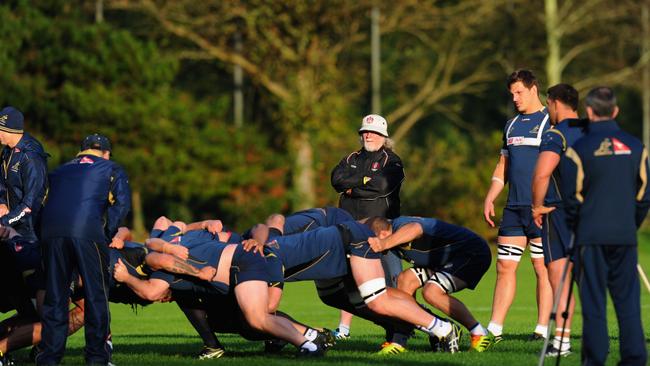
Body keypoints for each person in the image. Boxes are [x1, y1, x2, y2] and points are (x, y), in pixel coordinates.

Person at [559, 87, 648, 366]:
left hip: (591, 237)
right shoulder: (636, 147)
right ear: (616, 111)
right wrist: (629, 224)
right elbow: (645, 195)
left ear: (588, 111)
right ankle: (634, 359)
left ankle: (595, 360)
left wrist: (579, 225)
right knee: (628, 303)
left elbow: (571, 199)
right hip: (624, 236)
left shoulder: (578, 150)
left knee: (594, 304)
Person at [37, 134, 131, 366]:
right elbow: (121, 204)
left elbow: (41, 205)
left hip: (51, 233)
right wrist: (108, 233)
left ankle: (49, 358)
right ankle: (97, 358)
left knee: (56, 298)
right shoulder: (111, 167)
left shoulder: (58, 171)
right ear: (106, 153)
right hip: (87, 232)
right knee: (96, 295)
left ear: (82, 150)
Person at [482, 70, 553, 342]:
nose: (514, 98)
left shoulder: (550, 121)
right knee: (504, 266)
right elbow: (503, 165)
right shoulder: (511, 125)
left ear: (534, 89)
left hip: (541, 209)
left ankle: (541, 330)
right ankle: (494, 329)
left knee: (541, 267)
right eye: (512, 93)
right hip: (514, 208)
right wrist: (491, 195)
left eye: (519, 92)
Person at [368, 216, 493, 352]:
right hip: (442, 261)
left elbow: (416, 228)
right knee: (405, 279)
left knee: (431, 292)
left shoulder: (400, 225)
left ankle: (480, 333)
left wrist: (384, 243)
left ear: (384, 234)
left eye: (375, 240)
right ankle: (400, 342)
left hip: (471, 253)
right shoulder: (389, 234)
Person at [330, 114, 405, 340]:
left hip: (382, 230)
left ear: (384, 135)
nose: (368, 135)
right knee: (349, 280)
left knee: (393, 279)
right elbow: (337, 180)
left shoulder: (392, 161)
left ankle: (402, 326)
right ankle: (344, 329)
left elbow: (382, 185)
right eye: (364, 132)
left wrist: (353, 186)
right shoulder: (350, 158)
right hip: (351, 228)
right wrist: (365, 180)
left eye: (372, 132)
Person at [531, 83, 585, 357]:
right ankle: (599, 338)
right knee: (592, 280)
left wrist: (537, 206)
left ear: (553, 103)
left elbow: (541, 175)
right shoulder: (593, 131)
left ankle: (562, 343)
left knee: (560, 278)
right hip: (593, 214)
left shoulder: (556, 134)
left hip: (559, 213)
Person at [0, 106, 49, 316]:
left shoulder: (31, 156)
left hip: (30, 231)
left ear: (8, 130)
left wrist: (5, 222)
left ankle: (42, 340)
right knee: (11, 283)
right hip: (12, 226)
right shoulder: (7, 152)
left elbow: (31, 202)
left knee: (34, 283)